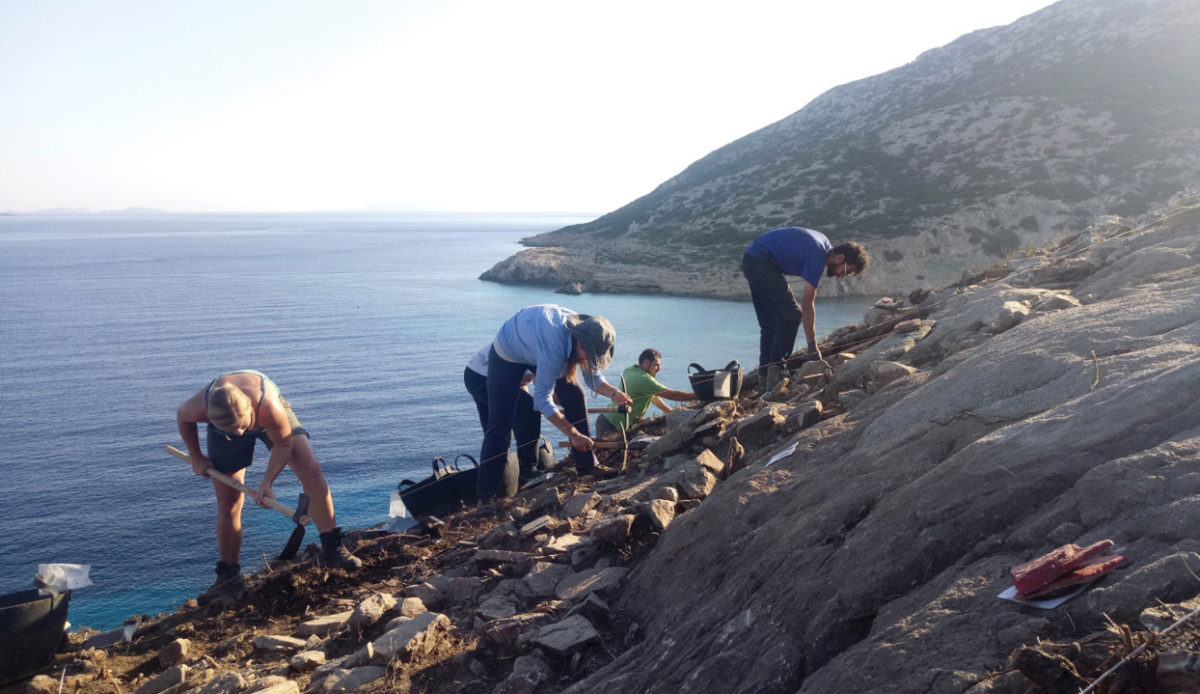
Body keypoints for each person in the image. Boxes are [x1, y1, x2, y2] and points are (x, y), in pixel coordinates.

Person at [176, 369, 361, 602]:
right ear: (210, 419)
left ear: (250, 412)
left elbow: (283, 446)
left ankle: (332, 548)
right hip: (226, 423)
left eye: (242, 426)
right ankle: (229, 579)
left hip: (266, 417)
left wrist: (266, 483)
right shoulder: (200, 409)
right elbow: (182, 416)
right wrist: (196, 456)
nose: (240, 433)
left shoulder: (269, 408)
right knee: (228, 499)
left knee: (310, 469)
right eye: (234, 430)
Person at [478, 304, 632, 503]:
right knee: (501, 423)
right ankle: (485, 495)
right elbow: (542, 398)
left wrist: (614, 393)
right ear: (580, 343)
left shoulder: (586, 337)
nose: (590, 360)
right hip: (508, 352)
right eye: (590, 355)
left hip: (535, 342)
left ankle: (586, 466)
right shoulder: (555, 347)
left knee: (575, 395)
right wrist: (574, 435)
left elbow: (593, 378)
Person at [741, 227, 869, 388]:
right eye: (845, 270)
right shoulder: (817, 257)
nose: (842, 275)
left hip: (752, 259)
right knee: (792, 315)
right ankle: (777, 370)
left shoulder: (823, 244)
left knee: (770, 324)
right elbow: (807, 305)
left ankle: (764, 376)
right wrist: (812, 347)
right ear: (840, 258)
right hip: (761, 263)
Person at [463, 344, 546, 479]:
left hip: (474, 373)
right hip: (485, 377)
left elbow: (521, 383)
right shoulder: (544, 355)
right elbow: (542, 394)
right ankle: (527, 469)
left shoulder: (536, 347)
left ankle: (498, 475)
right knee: (529, 412)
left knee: (496, 428)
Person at [595, 348, 695, 437]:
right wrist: (699, 395)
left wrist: (668, 410)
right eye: (656, 365)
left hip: (607, 419)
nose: (659, 369)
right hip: (612, 425)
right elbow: (673, 395)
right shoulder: (643, 379)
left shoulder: (631, 369)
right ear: (646, 363)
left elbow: (652, 395)